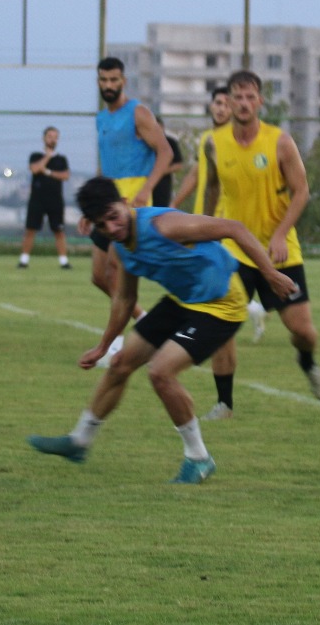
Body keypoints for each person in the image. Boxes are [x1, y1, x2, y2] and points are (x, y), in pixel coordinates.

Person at [27, 176, 298, 483]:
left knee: (160, 372)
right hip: (183, 300)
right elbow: (126, 298)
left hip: (222, 304)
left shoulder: (164, 226)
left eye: (114, 217)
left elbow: (233, 228)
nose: (113, 228)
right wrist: (104, 346)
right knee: (120, 364)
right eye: (103, 225)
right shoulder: (121, 248)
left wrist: (270, 275)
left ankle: (198, 458)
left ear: (126, 204)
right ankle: (80, 441)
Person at [201, 69, 320, 415]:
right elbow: (212, 186)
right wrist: (205, 229)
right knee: (222, 326)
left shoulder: (280, 142)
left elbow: (302, 192)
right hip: (233, 251)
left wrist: (279, 234)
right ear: (227, 101)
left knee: (303, 330)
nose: (243, 104)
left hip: (278, 251)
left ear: (260, 101)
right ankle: (224, 403)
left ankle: (306, 360)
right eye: (236, 97)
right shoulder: (215, 143)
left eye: (249, 97)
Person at [89, 57, 175, 360]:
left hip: (129, 213)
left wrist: (146, 190)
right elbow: (105, 165)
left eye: (114, 80)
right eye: (104, 81)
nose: (109, 86)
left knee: (115, 272)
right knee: (99, 276)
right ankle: (146, 322)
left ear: (124, 81)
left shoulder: (138, 113)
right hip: (106, 209)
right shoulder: (101, 119)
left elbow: (165, 153)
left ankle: (116, 342)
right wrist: (91, 209)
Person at [173, 86, 268, 344]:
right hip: (202, 217)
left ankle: (200, 326)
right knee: (202, 272)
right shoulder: (207, 139)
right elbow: (196, 173)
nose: (221, 108)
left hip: (226, 219)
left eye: (227, 104)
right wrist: (174, 204)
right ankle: (251, 310)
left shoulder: (237, 140)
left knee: (208, 273)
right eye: (217, 103)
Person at [18, 126, 71, 269]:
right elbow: (35, 169)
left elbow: (65, 175)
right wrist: (47, 156)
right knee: (30, 229)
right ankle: (23, 260)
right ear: (44, 138)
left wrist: (47, 171)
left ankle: (64, 261)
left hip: (55, 200)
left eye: (55, 137)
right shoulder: (36, 156)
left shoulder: (61, 159)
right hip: (37, 199)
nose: (52, 139)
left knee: (59, 230)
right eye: (50, 136)